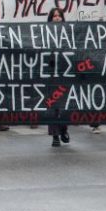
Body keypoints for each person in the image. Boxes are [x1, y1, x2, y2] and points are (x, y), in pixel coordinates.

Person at [47, 8, 72, 146]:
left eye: (59, 16)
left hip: (64, 73)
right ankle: (55, 135)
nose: (57, 18)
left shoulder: (68, 33)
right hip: (51, 75)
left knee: (64, 105)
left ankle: (63, 129)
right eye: (54, 16)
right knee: (53, 105)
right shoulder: (44, 34)